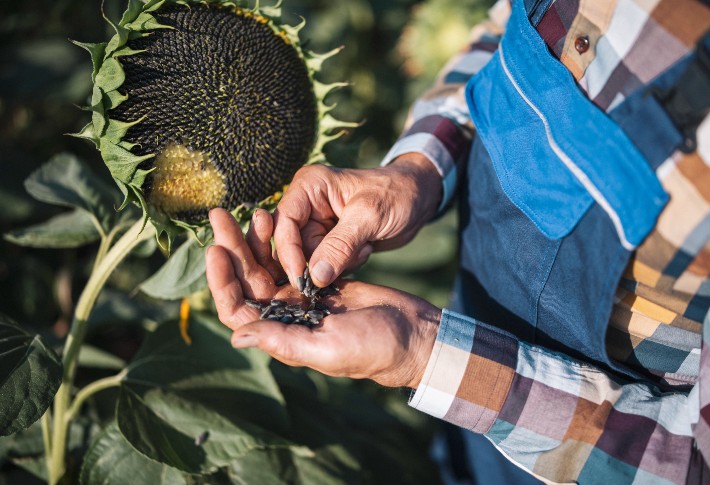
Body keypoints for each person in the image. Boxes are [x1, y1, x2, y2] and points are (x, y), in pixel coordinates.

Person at [206, 0, 710, 482]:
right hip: (461, 360)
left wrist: (424, 353)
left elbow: (696, 464)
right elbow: (510, 29)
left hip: (592, 450)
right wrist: (418, 169)